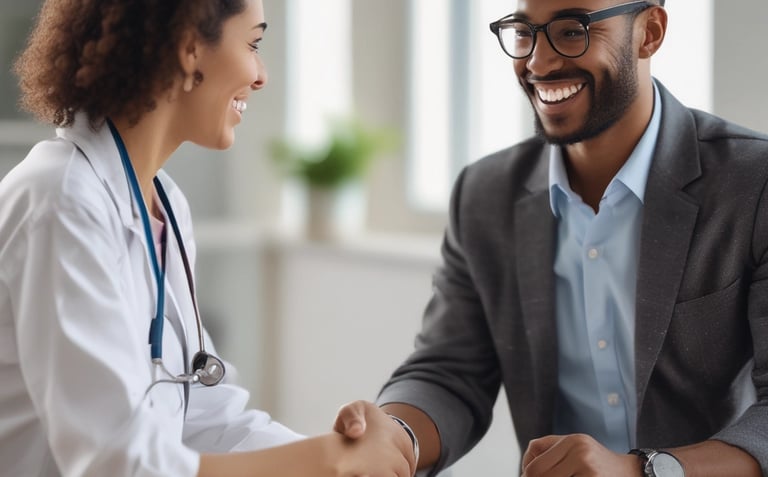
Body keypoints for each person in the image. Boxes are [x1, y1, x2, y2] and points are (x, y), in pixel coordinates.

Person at [335, 0, 768, 475]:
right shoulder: (484, 194)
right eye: (524, 31)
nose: (538, 62)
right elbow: (449, 372)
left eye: (572, 29)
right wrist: (396, 438)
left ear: (649, 33)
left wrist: (638, 471)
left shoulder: (752, 184)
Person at [0, 0, 416, 476]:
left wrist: (344, 449)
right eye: (253, 44)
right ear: (191, 48)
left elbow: (206, 418)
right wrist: (328, 460)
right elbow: (117, 463)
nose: (261, 75)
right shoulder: (60, 200)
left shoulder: (165, 204)